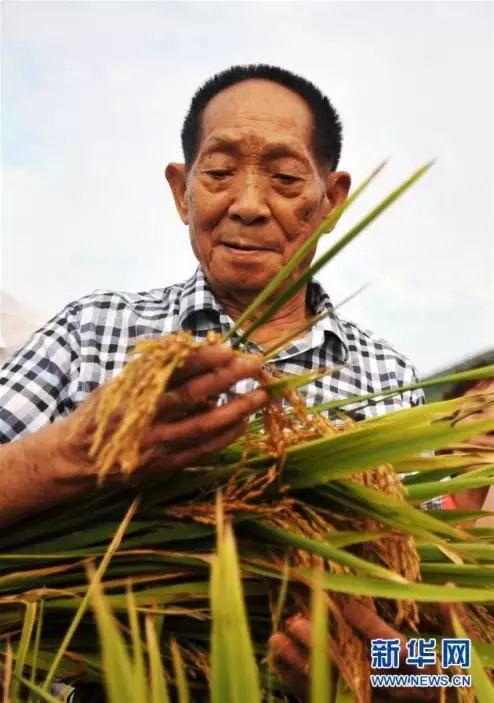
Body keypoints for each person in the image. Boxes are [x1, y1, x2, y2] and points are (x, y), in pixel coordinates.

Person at [0, 64, 432, 700]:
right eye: (220, 173)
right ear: (182, 191)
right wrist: (77, 454)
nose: (250, 205)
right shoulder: (94, 333)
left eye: (285, 179)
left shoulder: (390, 383)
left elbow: (457, 641)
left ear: (332, 199)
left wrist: (398, 678)